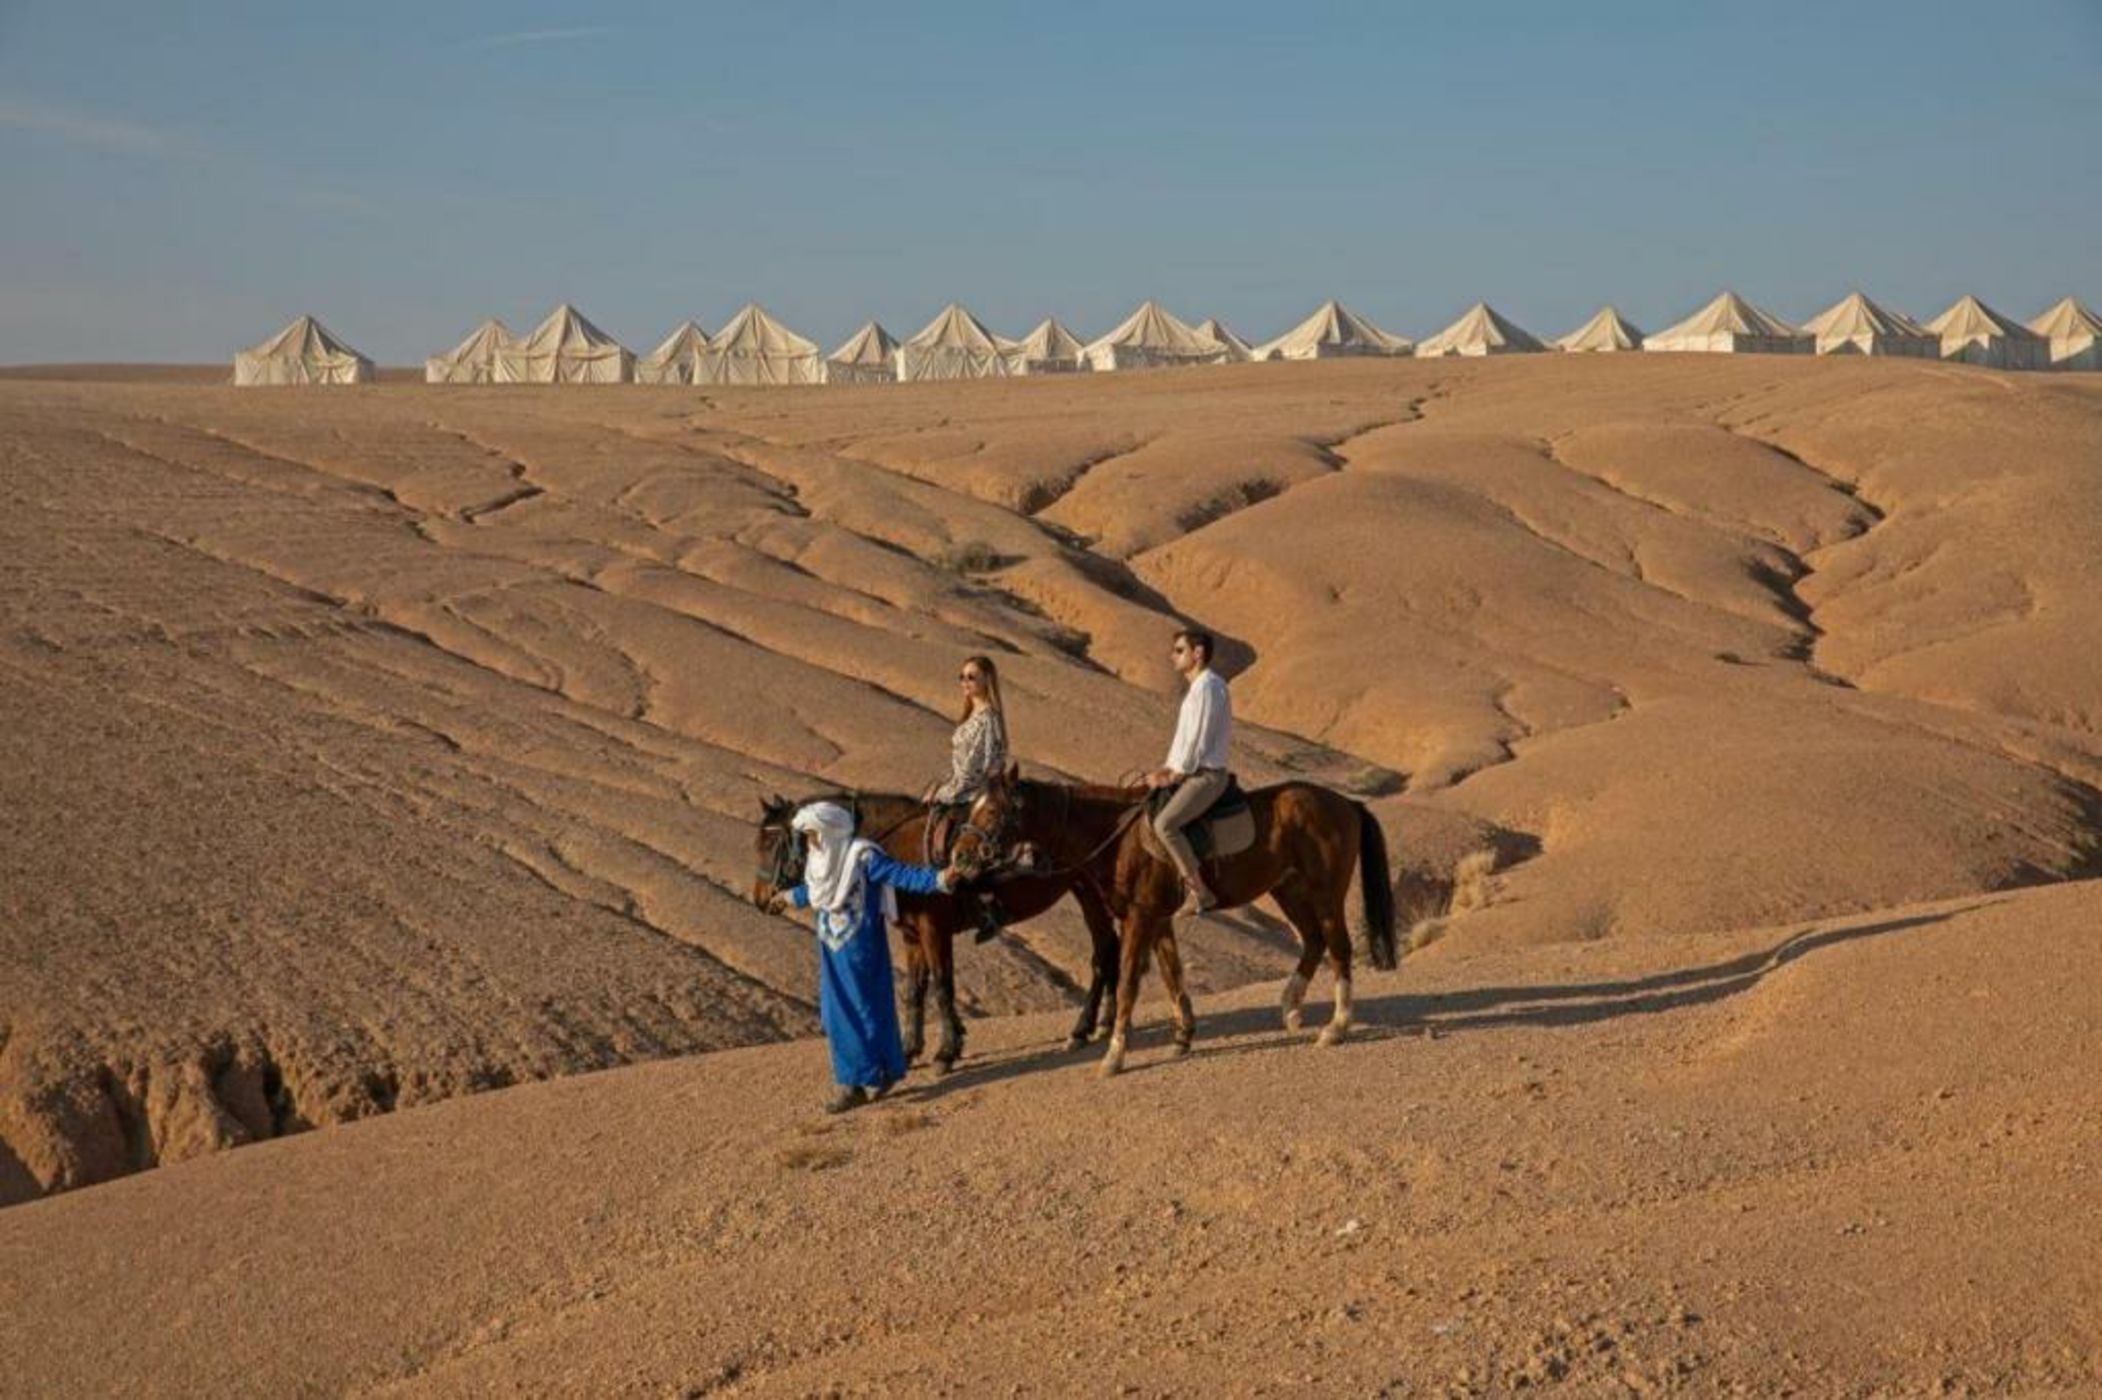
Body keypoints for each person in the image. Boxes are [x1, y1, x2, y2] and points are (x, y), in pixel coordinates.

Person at [768, 801, 960, 1113]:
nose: (809, 842)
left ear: (829, 832)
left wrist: (938, 880)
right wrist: (788, 897)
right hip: (832, 948)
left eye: (813, 834)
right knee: (839, 1011)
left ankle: (854, 1085)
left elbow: (902, 875)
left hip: (862, 948)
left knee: (859, 1012)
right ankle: (882, 1069)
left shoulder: (862, 856)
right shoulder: (821, 862)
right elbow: (817, 891)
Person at [922, 654, 1011, 942]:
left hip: (975, 793)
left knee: (961, 843)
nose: (965, 682)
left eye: (972, 677)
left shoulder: (988, 718)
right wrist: (938, 786)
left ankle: (984, 906)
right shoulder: (971, 714)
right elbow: (959, 766)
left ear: (987, 679)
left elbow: (976, 770)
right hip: (958, 788)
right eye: (962, 677)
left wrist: (944, 793)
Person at [1145, 628, 1233, 916]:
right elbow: (1182, 742)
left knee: (1165, 825)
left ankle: (1200, 892)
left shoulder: (1209, 687)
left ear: (1198, 653)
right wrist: (1166, 768)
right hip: (1190, 771)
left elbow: (1198, 740)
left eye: (1179, 650)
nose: (1173, 656)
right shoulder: (1197, 689)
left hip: (1205, 776)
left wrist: (1176, 774)